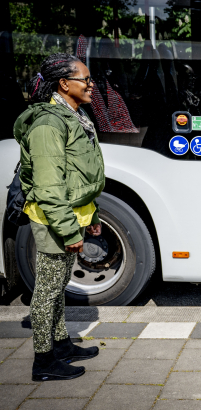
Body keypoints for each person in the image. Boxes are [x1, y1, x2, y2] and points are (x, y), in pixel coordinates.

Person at [13, 53, 105, 381]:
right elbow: (49, 187)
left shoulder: (73, 115)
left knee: (60, 284)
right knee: (48, 290)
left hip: (71, 216)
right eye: (86, 79)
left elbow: (78, 175)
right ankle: (44, 361)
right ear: (65, 84)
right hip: (52, 221)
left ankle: (62, 343)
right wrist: (69, 231)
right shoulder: (49, 123)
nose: (92, 85)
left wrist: (90, 215)